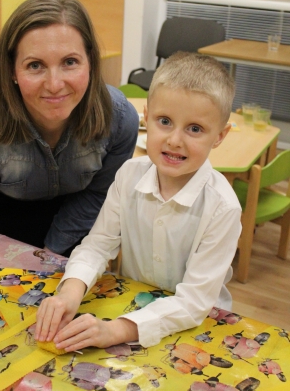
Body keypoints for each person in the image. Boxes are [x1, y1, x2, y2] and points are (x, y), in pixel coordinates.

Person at [0, 0, 139, 291]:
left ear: (91, 62)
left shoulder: (119, 118)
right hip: (0, 225)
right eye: (35, 65)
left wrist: (49, 254)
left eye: (70, 62)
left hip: (77, 226)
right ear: (12, 71)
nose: (55, 84)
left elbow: (98, 195)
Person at [35, 53, 242, 350]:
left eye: (195, 129)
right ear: (147, 117)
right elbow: (97, 246)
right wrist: (69, 293)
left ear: (220, 136)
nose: (174, 140)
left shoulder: (223, 208)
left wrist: (115, 331)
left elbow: (194, 302)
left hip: (196, 327)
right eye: (165, 121)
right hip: (132, 307)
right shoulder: (128, 174)